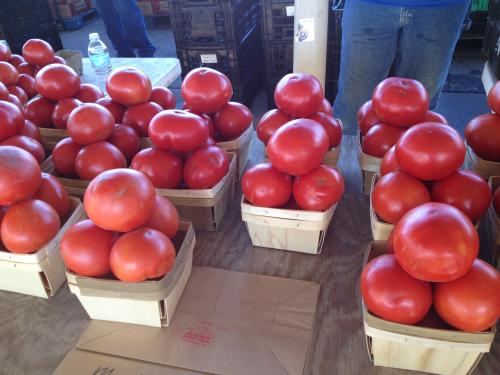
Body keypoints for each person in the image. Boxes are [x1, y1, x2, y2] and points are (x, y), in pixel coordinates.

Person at [333, 0, 471, 134]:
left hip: (443, 6)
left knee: (420, 109)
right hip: (368, 4)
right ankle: (346, 156)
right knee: (352, 109)